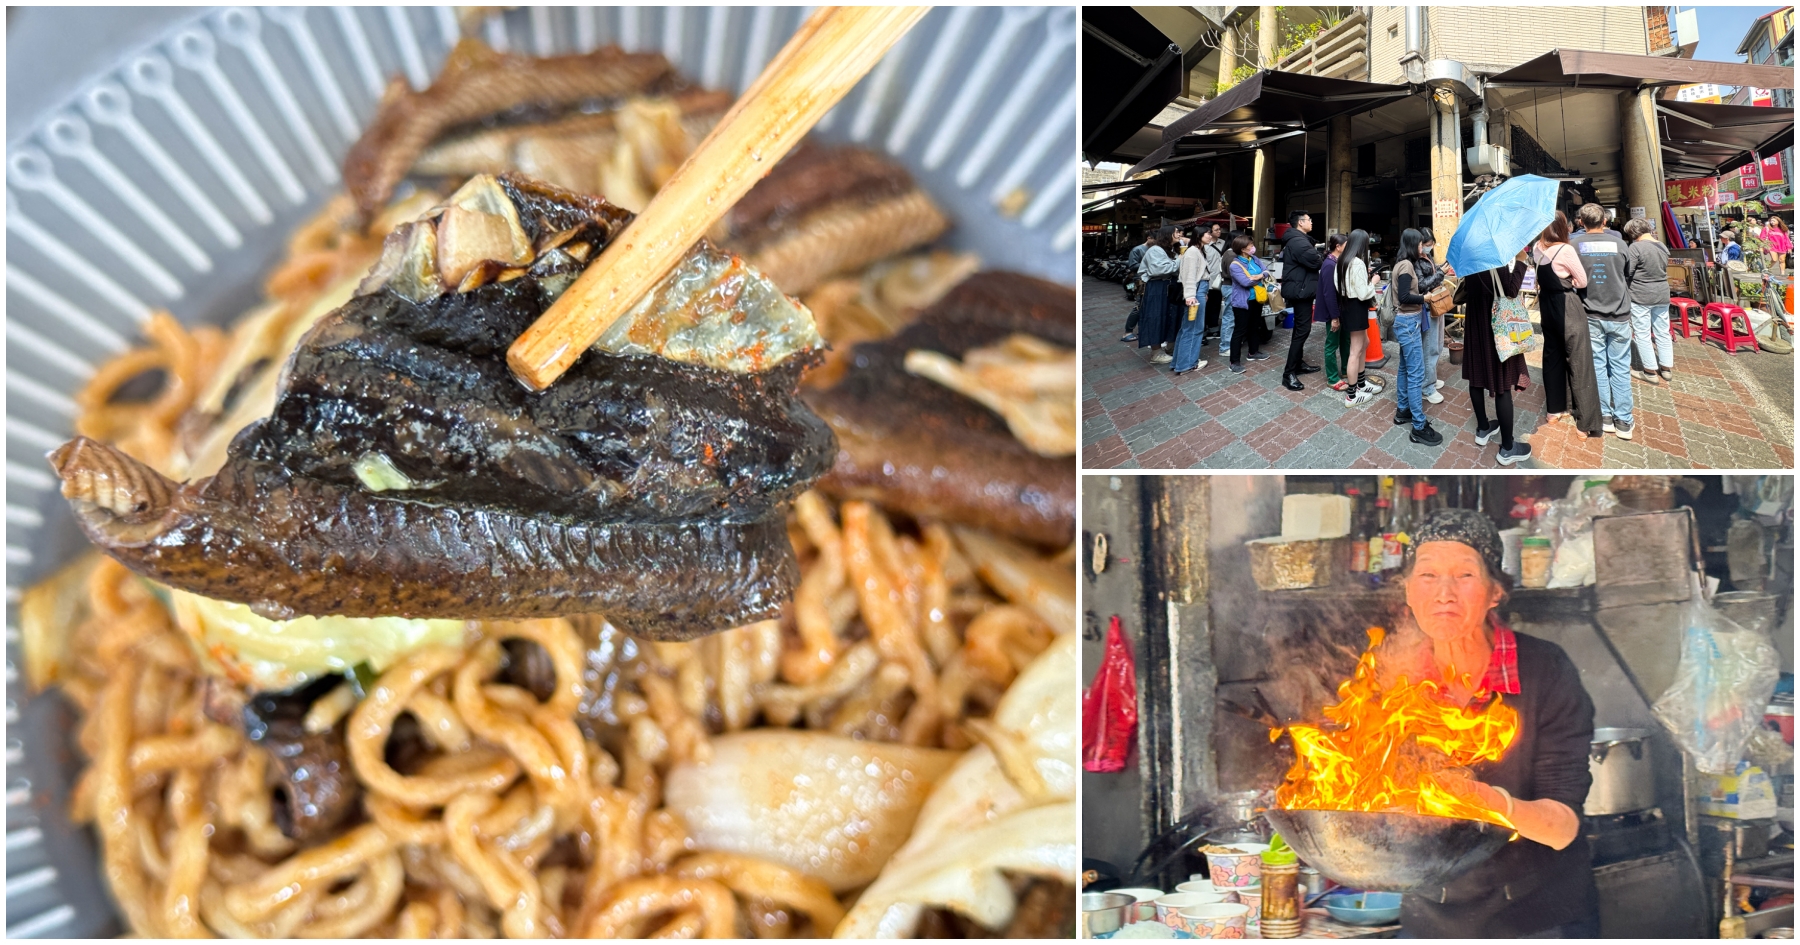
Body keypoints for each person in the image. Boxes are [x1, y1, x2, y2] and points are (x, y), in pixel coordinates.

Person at [1383, 509, 1598, 938]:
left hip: (1538, 915)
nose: (1444, 593)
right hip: (1430, 915)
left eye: (1464, 575)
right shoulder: (1388, 673)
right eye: (1427, 576)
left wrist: (1484, 801)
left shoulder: (1545, 671)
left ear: (1495, 592)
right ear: (1406, 590)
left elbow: (1561, 828)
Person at [1532, 211, 1603, 437]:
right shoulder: (1565, 249)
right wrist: (1569, 280)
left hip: (1546, 305)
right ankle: (1586, 423)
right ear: (1562, 227)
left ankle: (1554, 410)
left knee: (1552, 356)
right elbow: (1582, 281)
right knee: (1579, 360)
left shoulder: (1536, 248)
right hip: (1567, 305)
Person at [1462, 250, 1534, 465]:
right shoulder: (1494, 259)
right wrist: (1521, 262)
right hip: (1497, 327)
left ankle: (1483, 428)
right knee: (1502, 385)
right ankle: (1508, 448)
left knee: (1476, 377)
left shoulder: (1469, 258)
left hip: (1475, 325)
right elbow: (1510, 291)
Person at [1571, 203, 1634, 441]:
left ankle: (1605, 416)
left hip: (1590, 313)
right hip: (1619, 312)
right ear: (1605, 221)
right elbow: (1627, 274)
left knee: (1597, 364)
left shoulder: (1574, 245)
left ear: (1580, 222)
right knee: (1619, 367)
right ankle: (1624, 421)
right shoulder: (1621, 244)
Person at [1390, 229, 1442, 445]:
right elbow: (1404, 297)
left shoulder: (1403, 264)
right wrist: (1425, 297)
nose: (1423, 248)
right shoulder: (1406, 266)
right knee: (1416, 373)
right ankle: (1418, 426)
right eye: (1421, 245)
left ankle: (1403, 410)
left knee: (1405, 367)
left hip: (1407, 322)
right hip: (1408, 322)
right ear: (1413, 245)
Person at [1621, 217, 1674, 385]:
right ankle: (1666, 369)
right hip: (1662, 293)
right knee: (1663, 331)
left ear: (1633, 233)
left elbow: (1627, 271)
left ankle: (1650, 371)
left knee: (1642, 333)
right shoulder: (1662, 245)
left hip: (1641, 294)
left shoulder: (1636, 247)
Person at [1278, 211, 1324, 390]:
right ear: (1300, 223)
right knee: (1302, 330)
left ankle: (1298, 364)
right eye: (1309, 220)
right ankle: (1288, 373)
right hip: (1300, 291)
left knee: (1300, 328)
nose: (1311, 222)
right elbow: (1315, 262)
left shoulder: (1299, 240)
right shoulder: (1298, 241)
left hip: (1301, 289)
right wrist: (1321, 256)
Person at [1336, 229, 1382, 405]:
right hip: (1356, 306)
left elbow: (1339, 286)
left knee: (1365, 343)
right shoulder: (1357, 263)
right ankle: (1352, 395)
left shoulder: (1341, 260)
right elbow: (1363, 293)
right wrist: (1373, 281)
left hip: (1348, 305)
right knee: (1355, 351)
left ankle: (1361, 384)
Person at [1415, 229, 1454, 405]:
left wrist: (1441, 268)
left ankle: (1432, 378)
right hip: (1427, 305)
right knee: (1429, 346)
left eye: (1431, 244)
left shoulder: (1427, 258)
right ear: (1420, 243)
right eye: (1427, 244)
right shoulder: (1415, 260)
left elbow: (1432, 273)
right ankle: (1426, 387)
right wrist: (1440, 274)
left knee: (1437, 344)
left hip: (1436, 304)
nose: (1430, 247)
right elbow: (1422, 285)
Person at [1226, 235, 1272, 373]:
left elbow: (1266, 271)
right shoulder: (1235, 265)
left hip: (1257, 299)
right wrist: (1260, 277)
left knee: (1255, 326)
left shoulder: (1254, 259)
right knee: (1240, 330)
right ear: (1242, 249)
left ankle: (1253, 352)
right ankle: (1234, 362)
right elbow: (1245, 282)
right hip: (1242, 302)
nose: (1253, 247)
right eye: (1250, 245)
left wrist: (1258, 276)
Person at [1136, 226, 1181, 363]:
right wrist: (1180, 260)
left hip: (1168, 286)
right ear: (1168, 235)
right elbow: (1160, 269)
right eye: (1177, 232)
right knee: (1155, 316)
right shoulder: (1155, 250)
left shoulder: (1171, 249)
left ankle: (1169, 347)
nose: (1179, 234)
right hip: (1156, 287)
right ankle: (1156, 353)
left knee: (1171, 315)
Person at [1171, 227, 1212, 375]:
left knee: (1187, 327)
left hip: (1199, 290)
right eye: (1207, 233)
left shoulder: (1198, 250)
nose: (1210, 235)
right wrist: (1190, 296)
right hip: (1195, 291)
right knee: (1194, 328)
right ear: (1199, 235)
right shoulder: (1193, 252)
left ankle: (1179, 362)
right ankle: (1187, 364)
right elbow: (1189, 276)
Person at [1317, 234, 1350, 388]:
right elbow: (1329, 294)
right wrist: (1334, 317)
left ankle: (1345, 370)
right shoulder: (1329, 264)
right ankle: (1332, 378)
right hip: (1334, 311)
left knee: (1345, 341)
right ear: (1338, 247)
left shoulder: (1336, 262)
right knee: (1331, 344)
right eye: (1346, 245)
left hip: (1341, 310)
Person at [1120, 232, 1156, 342]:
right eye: (1154, 240)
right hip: (1140, 280)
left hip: (1150, 279)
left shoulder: (1154, 249)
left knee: (1146, 306)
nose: (1156, 243)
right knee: (1139, 306)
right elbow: (1132, 265)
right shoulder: (1137, 250)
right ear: (1149, 238)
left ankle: (1142, 329)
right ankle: (1127, 332)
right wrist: (1150, 265)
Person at [1200, 227, 1227, 344]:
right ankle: (1203, 330)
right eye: (1215, 230)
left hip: (1219, 280)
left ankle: (1214, 329)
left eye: (1219, 229)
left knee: (1216, 305)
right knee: (1205, 307)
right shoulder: (1203, 246)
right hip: (1208, 281)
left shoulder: (1223, 243)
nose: (1219, 231)